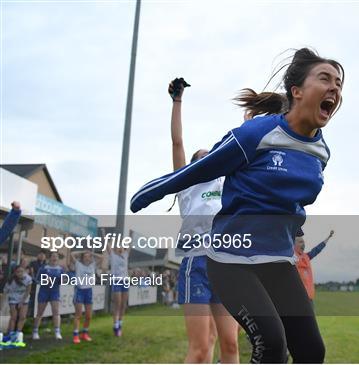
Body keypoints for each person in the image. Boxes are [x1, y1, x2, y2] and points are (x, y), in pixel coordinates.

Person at [130, 48, 343, 363]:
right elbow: (192, 166)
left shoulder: (316, 153)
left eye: (339, 83)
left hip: (275, 262)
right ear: (297, 91)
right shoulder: (234, 152)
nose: (335, 88)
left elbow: (285, 189)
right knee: (251, 346)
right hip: (225, 261)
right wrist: (150, 191)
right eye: (325, 78)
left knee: (303, 350)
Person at [168, 77, 239, 363]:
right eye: (201, 157)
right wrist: (177, 101)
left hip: (226, 265)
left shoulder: (227, 184)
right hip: (196, 264)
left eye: (211, 157)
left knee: (230, 345)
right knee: (199, 350)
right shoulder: (186, 184)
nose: (206, 159)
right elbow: (177, 142)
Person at [70, 250, 102, 344]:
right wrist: (83, 251)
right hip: (79, 290)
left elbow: (102, 258)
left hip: (89, 291)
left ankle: (85, 333)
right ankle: (75, 335)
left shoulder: (93, 265)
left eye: (89, 257)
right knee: (78, 315)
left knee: (88, 316)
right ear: (82, 258)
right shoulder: (78, 265)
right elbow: (72, 254)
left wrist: (92, 254)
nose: (87, 258)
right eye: (85, 256)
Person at [294, 229, 333, 304]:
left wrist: (328, 237)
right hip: (298, 298)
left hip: (309, 298)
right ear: (293, 245)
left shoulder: (307, 257)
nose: (303, 244)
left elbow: (317, 249)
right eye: (300, 242)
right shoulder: (292, 258)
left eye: (304, 242)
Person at [33, 252, 65, 340]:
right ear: (49, 258)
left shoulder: (61, 269)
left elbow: (63, 281)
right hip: (44, 292)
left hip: (54, 292)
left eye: (56, 256)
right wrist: (45, 280)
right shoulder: (43, 268)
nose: (55, 258)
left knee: (56, 311)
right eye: (53, 256)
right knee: (40, 312)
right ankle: (35, 331)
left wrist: (62, 279)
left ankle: (57, 331)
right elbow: (37, 280)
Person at [3, 265, 32, 348]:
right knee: (14, 317)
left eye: (21, 271)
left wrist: (22, 302)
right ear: (15, 273)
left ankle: (18, 334)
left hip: (24, 298)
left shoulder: (28, 279)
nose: (20, 273)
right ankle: (11, 334)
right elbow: (5, 292)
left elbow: (28, 291)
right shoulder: (10, 281)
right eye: (18, 272)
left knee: (22, 316)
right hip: (13, 298)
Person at [109, 246, 129, 337]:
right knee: (118, 304)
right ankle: (115, 326)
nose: (120, 249)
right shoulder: (113, 256)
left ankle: (120, 323)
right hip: (116, 281)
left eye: (121, 247)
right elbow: (107, 246)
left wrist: (131, 235)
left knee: (123, 304)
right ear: (115, 249)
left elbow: (130, 245)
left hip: (125, 281)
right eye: (118, 247)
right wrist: (104, 233)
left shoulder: (125, 255)